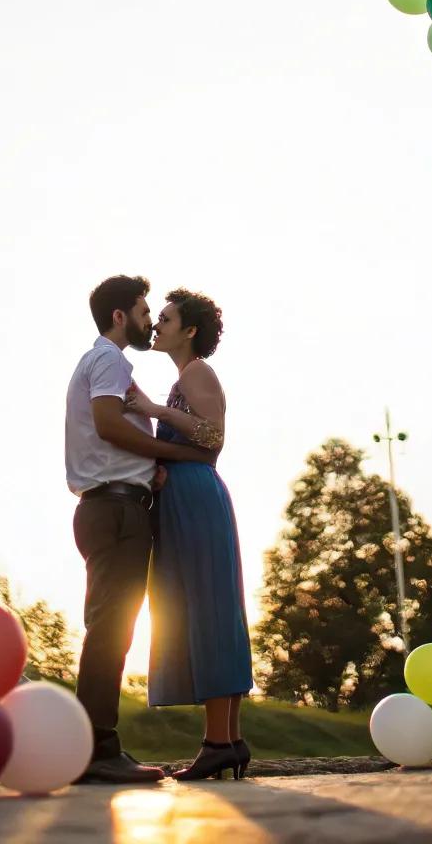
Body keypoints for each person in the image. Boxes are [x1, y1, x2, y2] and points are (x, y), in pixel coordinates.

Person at [65, 274, 215, 785]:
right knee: (111, 628)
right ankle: (97, 752)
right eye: (145, 312)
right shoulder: (110, 359)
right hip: (116, 511)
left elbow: (109, 436)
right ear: (119, 317)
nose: (150, 322)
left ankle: (93, 747)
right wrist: (175, 453)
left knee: (110, 626)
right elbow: (108, 424)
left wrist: (144, 469)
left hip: (111, 504)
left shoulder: (101, 361)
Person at [126, 288, 253, 782]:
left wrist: (157, 412)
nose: (157, 326)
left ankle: (218, 743)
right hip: (183, 498)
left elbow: (211, 436)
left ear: (190, 330)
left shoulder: (198, 372)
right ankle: (231, 741)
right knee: (204, 609)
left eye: (166, 318)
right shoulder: (184, 378)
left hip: (198, 500)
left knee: (209, 611)